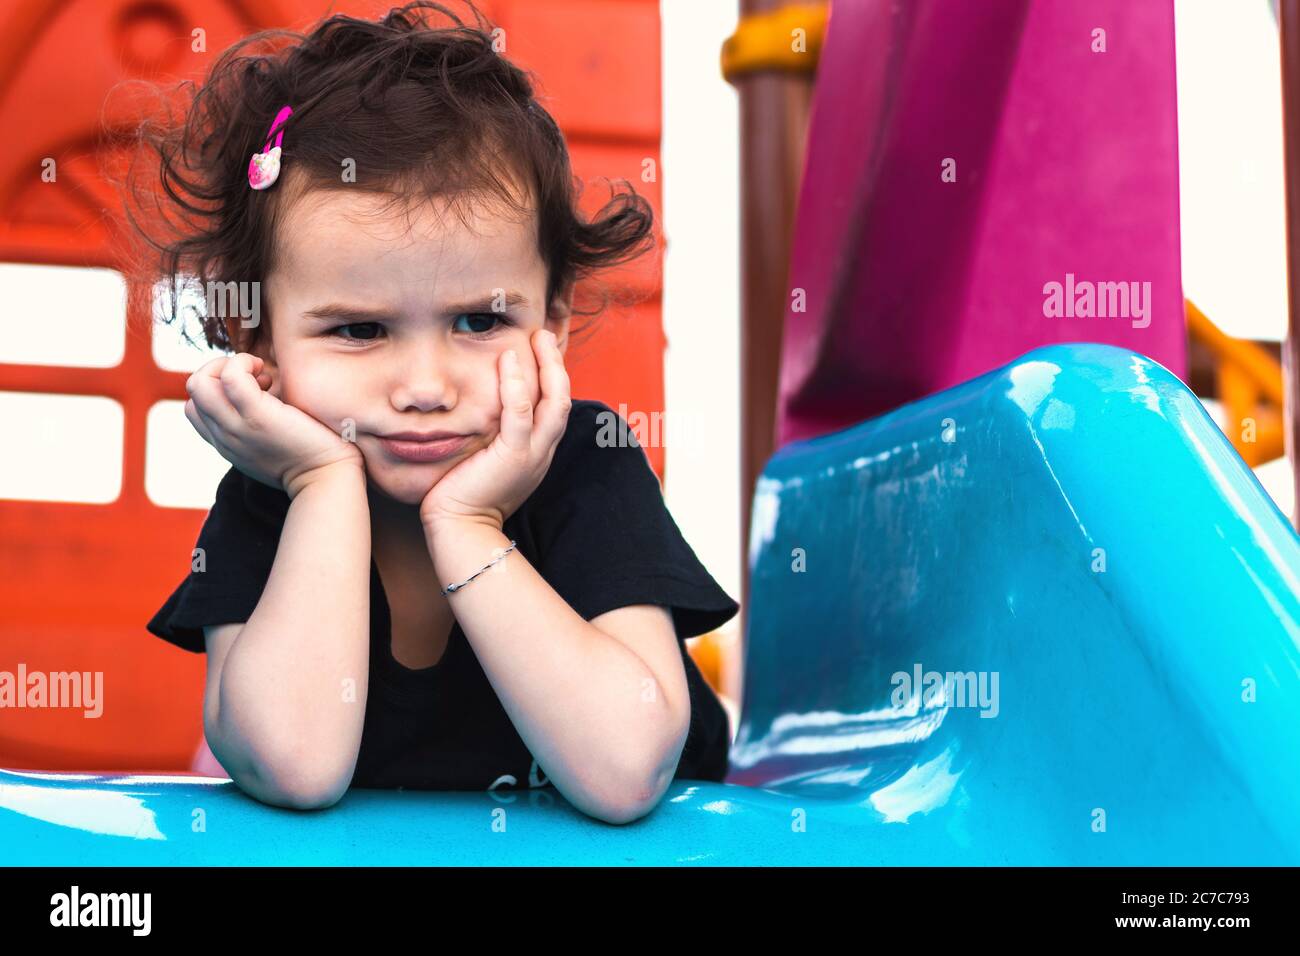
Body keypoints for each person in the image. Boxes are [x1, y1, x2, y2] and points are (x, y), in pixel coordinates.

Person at [129, 1, 739, 825]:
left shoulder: (588, 466)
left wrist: (468, 524)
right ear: (257, 337)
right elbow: (295, 764)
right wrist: (322, 485)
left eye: (480, 321)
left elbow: (627, 770)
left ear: (550, 322)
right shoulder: (270, 501)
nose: (424, 384)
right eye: (358, 330)